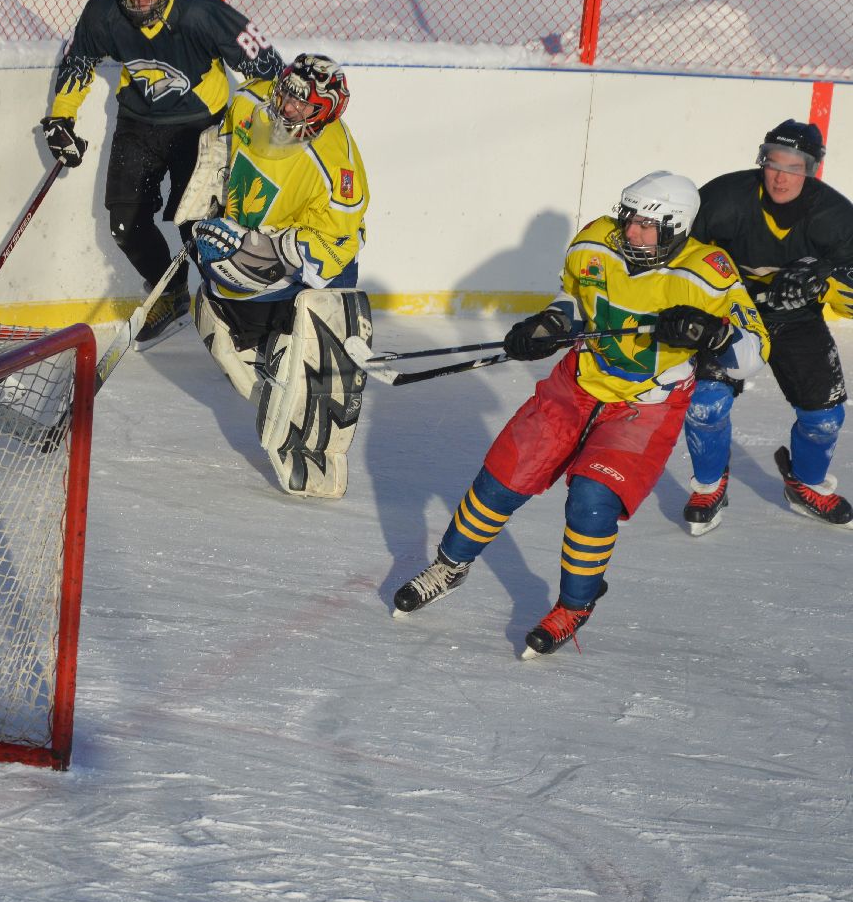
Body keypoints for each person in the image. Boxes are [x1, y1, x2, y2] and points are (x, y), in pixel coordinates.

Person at [392, 172, 769, 658]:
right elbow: (574, 300)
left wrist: (711, 334)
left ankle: (575, 604)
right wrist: (549, 324)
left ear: (677, 228)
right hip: (577, 384)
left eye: (646, 226)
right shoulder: (596, 241)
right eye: (629, 218)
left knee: (592, 501)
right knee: (503, 476)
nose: (630, 231)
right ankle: (451, 565)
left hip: (644, 406)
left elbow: (754, 352)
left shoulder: (709, 272)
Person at [40, 0, 284, 348]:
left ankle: (244, 320)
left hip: (202, 128)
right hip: (137, 122)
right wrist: (61, 117)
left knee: (204, 230)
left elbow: (265, 66)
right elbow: (80, 59)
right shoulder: (104, 13)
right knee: (125, 223)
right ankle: (169, 296)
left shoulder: (202, 14)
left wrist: (258, 127)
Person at [180, 53, 370, 498]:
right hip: (251, 244)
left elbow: (335, 242)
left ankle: (314, 448)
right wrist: (205, 200)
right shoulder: (250, 100)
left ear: (326, 113)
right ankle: (270, 366)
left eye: (303, 107)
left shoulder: (335, 168)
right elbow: (220, 148)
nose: (288, 109)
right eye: (287, 95)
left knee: (313, 359)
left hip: (312, 263)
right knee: (214, 315)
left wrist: (265, 248)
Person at [679, 119, 853, 533]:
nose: (782, 176)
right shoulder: (723, 198)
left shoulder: (834, 215)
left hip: (795, 320)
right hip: (726, 313)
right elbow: (680, 258)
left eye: (795, 166)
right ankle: (708, 484)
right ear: (762, 161)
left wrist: (826, 278)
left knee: (825, 417)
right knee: (705, 404)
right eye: (774, 163)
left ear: (811, 169)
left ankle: (806, 484)